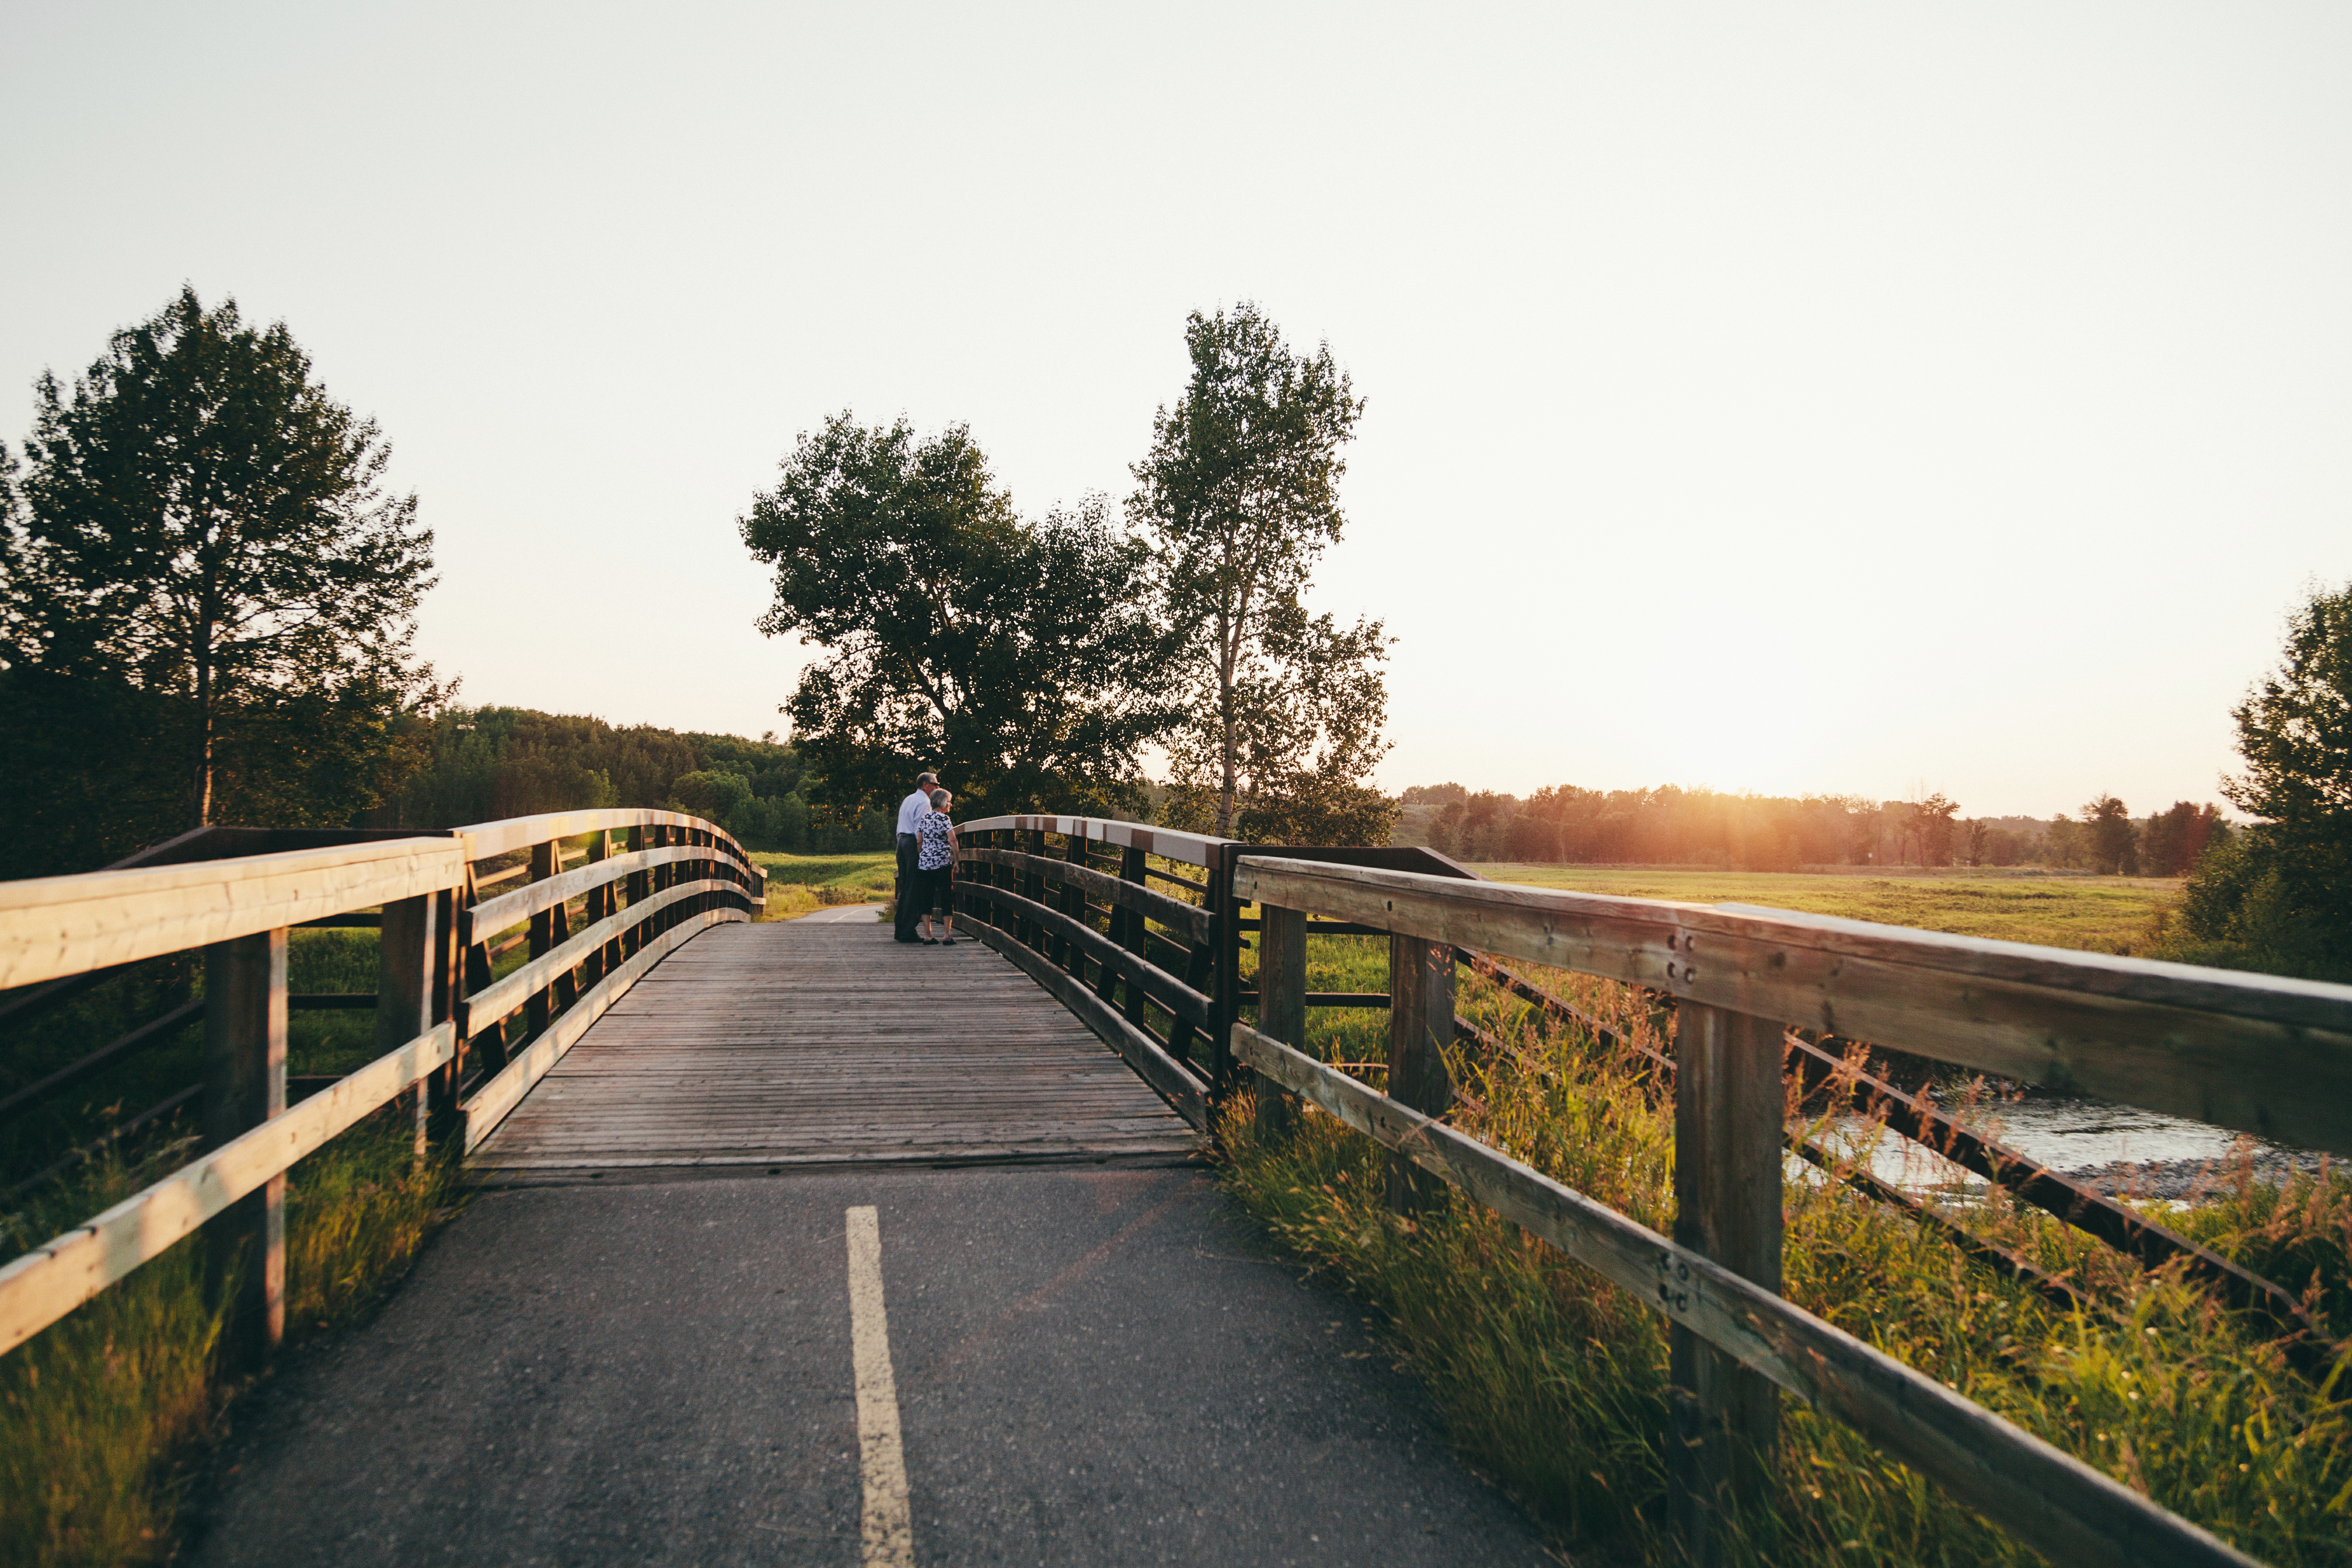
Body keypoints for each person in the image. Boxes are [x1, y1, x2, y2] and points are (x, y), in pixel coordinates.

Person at [893, 770, 939, 942]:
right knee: (915, 888)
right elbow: (921, 830)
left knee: (905, 888)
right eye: (935, 784)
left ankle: (901, 929)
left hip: (902, 843)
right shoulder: (925, 803)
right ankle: (908, 931)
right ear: (926, 785)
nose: (937, 787)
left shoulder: (909, 799)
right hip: (913, 845)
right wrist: (923, 852)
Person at [913, 788, 959, 944]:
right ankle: (947, 935)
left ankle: (928, 935)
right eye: (949, 801)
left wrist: (923, 856)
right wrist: (957, 861)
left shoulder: (924, 819)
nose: (950, 805)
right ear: (943, 802)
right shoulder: (945, 819)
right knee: (946, 897)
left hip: (925, 865)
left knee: (926, 899)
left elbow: (919, 841)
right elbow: (953, 841)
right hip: (942, 865)